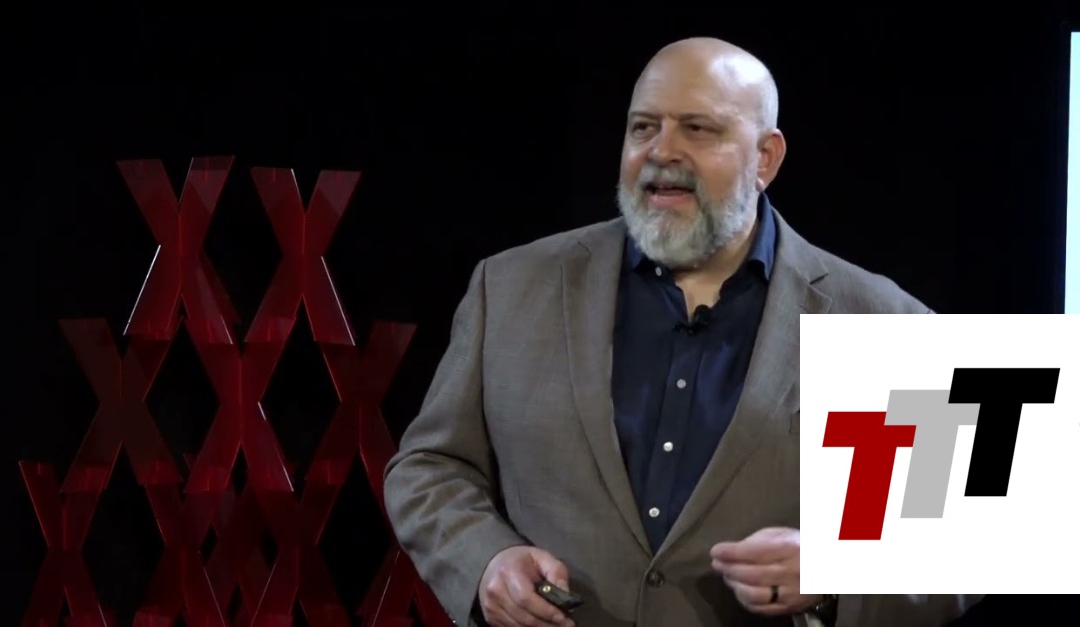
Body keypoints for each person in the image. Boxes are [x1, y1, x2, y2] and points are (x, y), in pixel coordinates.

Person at [383, 37, 983, 627]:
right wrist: (486, 560)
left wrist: (839, 569)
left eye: (698, 129)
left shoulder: (888, 320)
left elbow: (967, 547)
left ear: (766, 158)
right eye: (643, 127)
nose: (661, 151)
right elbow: (430, 465)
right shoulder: (510, 285)